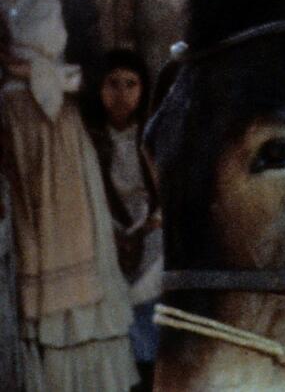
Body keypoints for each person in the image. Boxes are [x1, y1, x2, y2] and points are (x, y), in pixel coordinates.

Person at [0, 0, 139, 392]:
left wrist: (38, 73)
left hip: (52, 133)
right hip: (2, 132)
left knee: (60, 249)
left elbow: (95, 70)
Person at [86, 49, 161, 388]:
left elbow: (167, 191)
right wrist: (114, 231)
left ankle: (152, 370)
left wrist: (150, 223)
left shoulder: (152, 136)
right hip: (106, 228)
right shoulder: (91, 140)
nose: (121, 94)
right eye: (112, 84)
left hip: (152, 228)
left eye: (131, 84)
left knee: (152, 278)